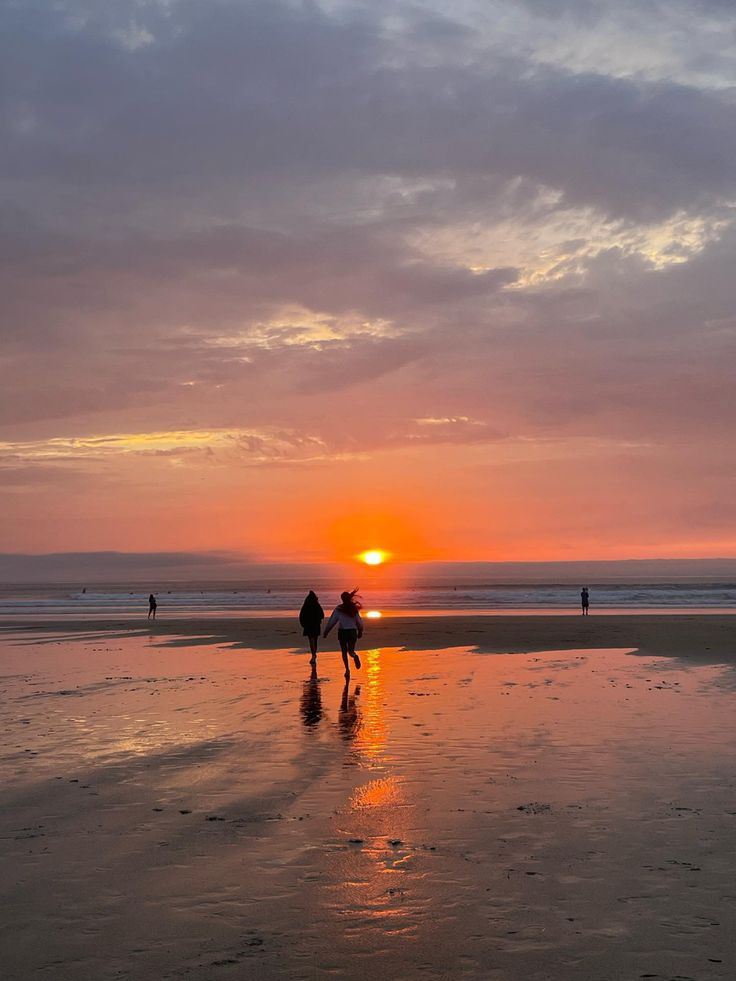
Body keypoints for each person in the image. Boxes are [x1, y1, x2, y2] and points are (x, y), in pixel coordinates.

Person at [324, 589, 363, 678]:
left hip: (343, 632)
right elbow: (359, 622)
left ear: (342, 599)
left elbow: (332, 621)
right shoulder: (353, 609)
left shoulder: (339, 609)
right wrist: (360, 631)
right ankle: (354, 656)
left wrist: (326, 631)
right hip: (353, 631)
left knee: (344, 651)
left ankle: (347, 670)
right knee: (351, 651)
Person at [299, 590, 324, 664]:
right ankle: (314, 655)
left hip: (308, 625)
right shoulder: (317, 605)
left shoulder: (305, 605)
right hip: (316, 625)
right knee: (315, 640)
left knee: (311, 640)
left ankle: (313, 655)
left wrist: (303, 624)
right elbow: (322, 615)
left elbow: (301, 616)